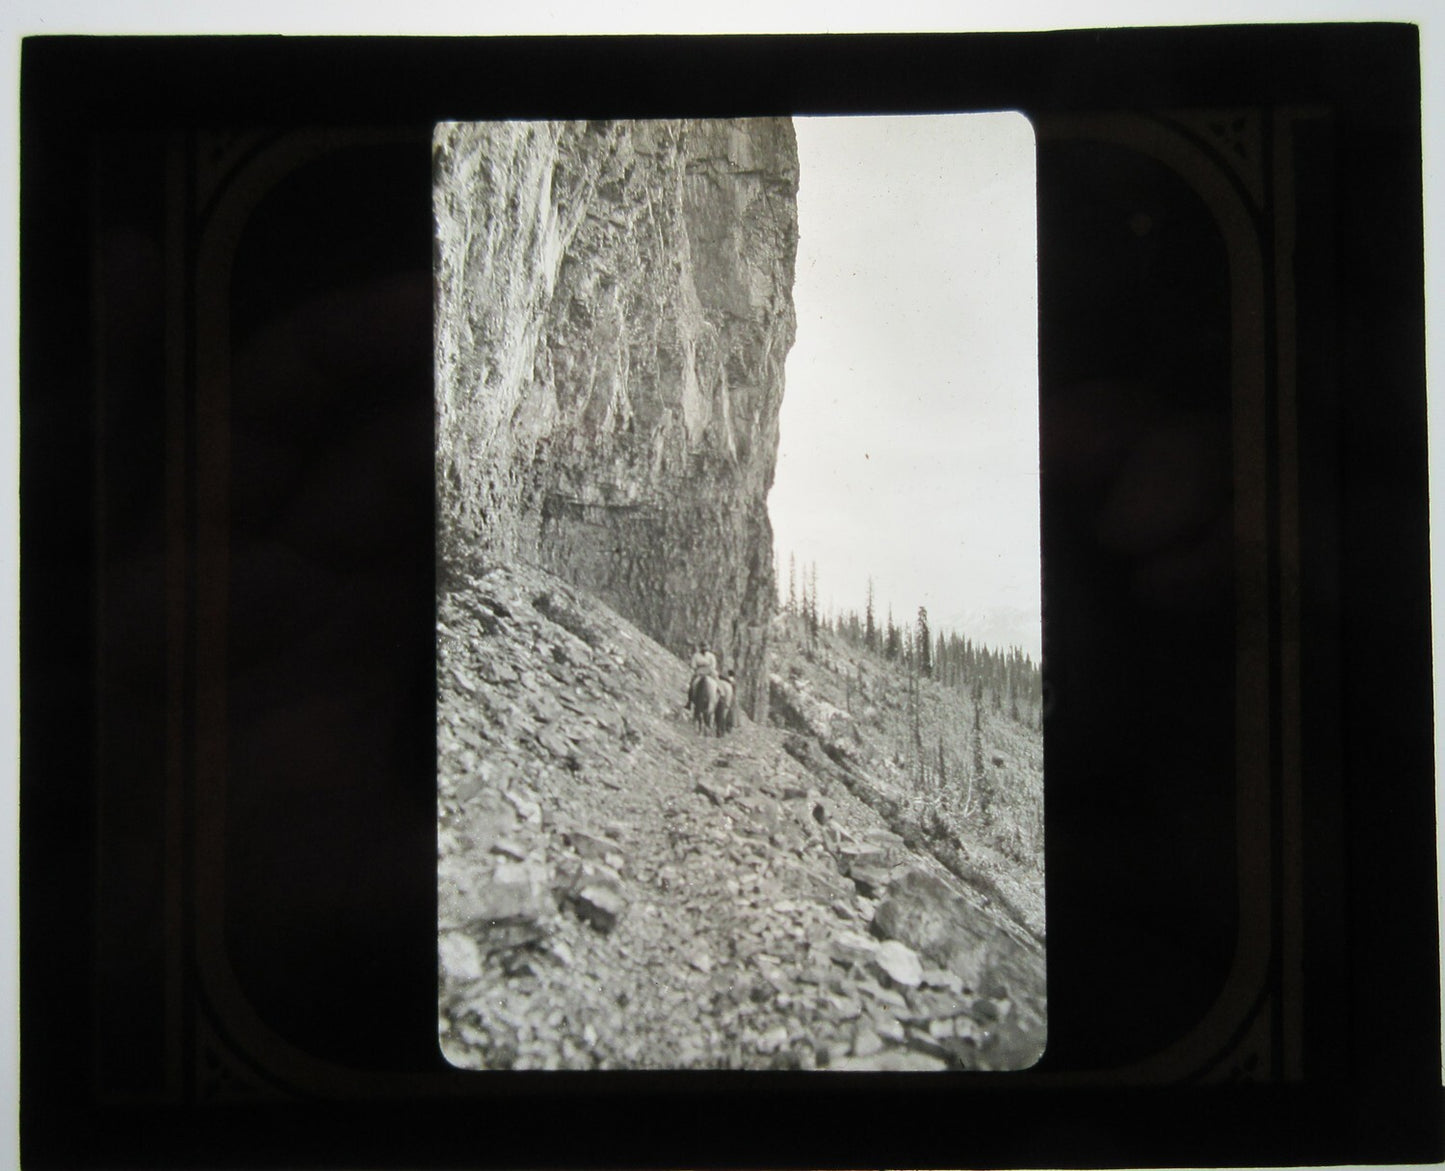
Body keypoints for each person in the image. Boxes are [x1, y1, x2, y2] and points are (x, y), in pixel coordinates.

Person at [685, 642, 718, 712]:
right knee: (692, 682)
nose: (704, 648)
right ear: (700, 647)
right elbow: (693, 665)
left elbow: (713, 665)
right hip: (699, 671)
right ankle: (689, 701)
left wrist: (710, 670)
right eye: (702, 647)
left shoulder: (711, 656)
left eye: (705, 647)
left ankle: (718, 695)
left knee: (716, 680)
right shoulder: (696, 656)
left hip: (709, 671)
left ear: (707, 647)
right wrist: (696, 670)